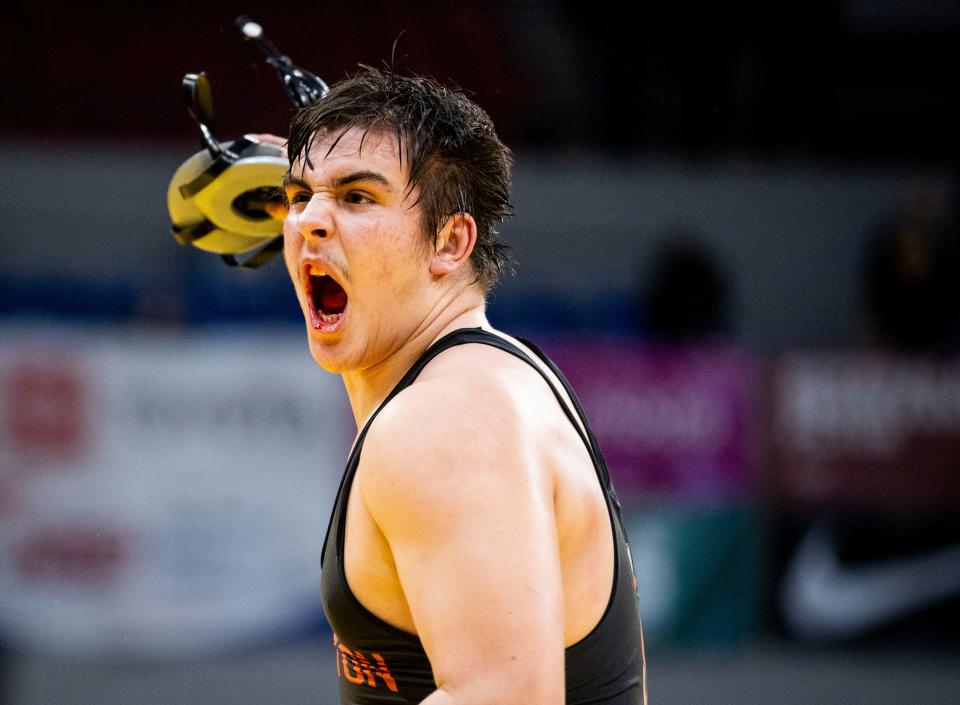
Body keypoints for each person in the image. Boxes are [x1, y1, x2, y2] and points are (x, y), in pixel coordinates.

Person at [257, 66, 645, 704]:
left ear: (451, 240)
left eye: (358, 197)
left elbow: (507, 698)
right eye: (299, 197)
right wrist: (327, 195)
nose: (309, 223)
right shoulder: (490, 378)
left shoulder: (448, 418)